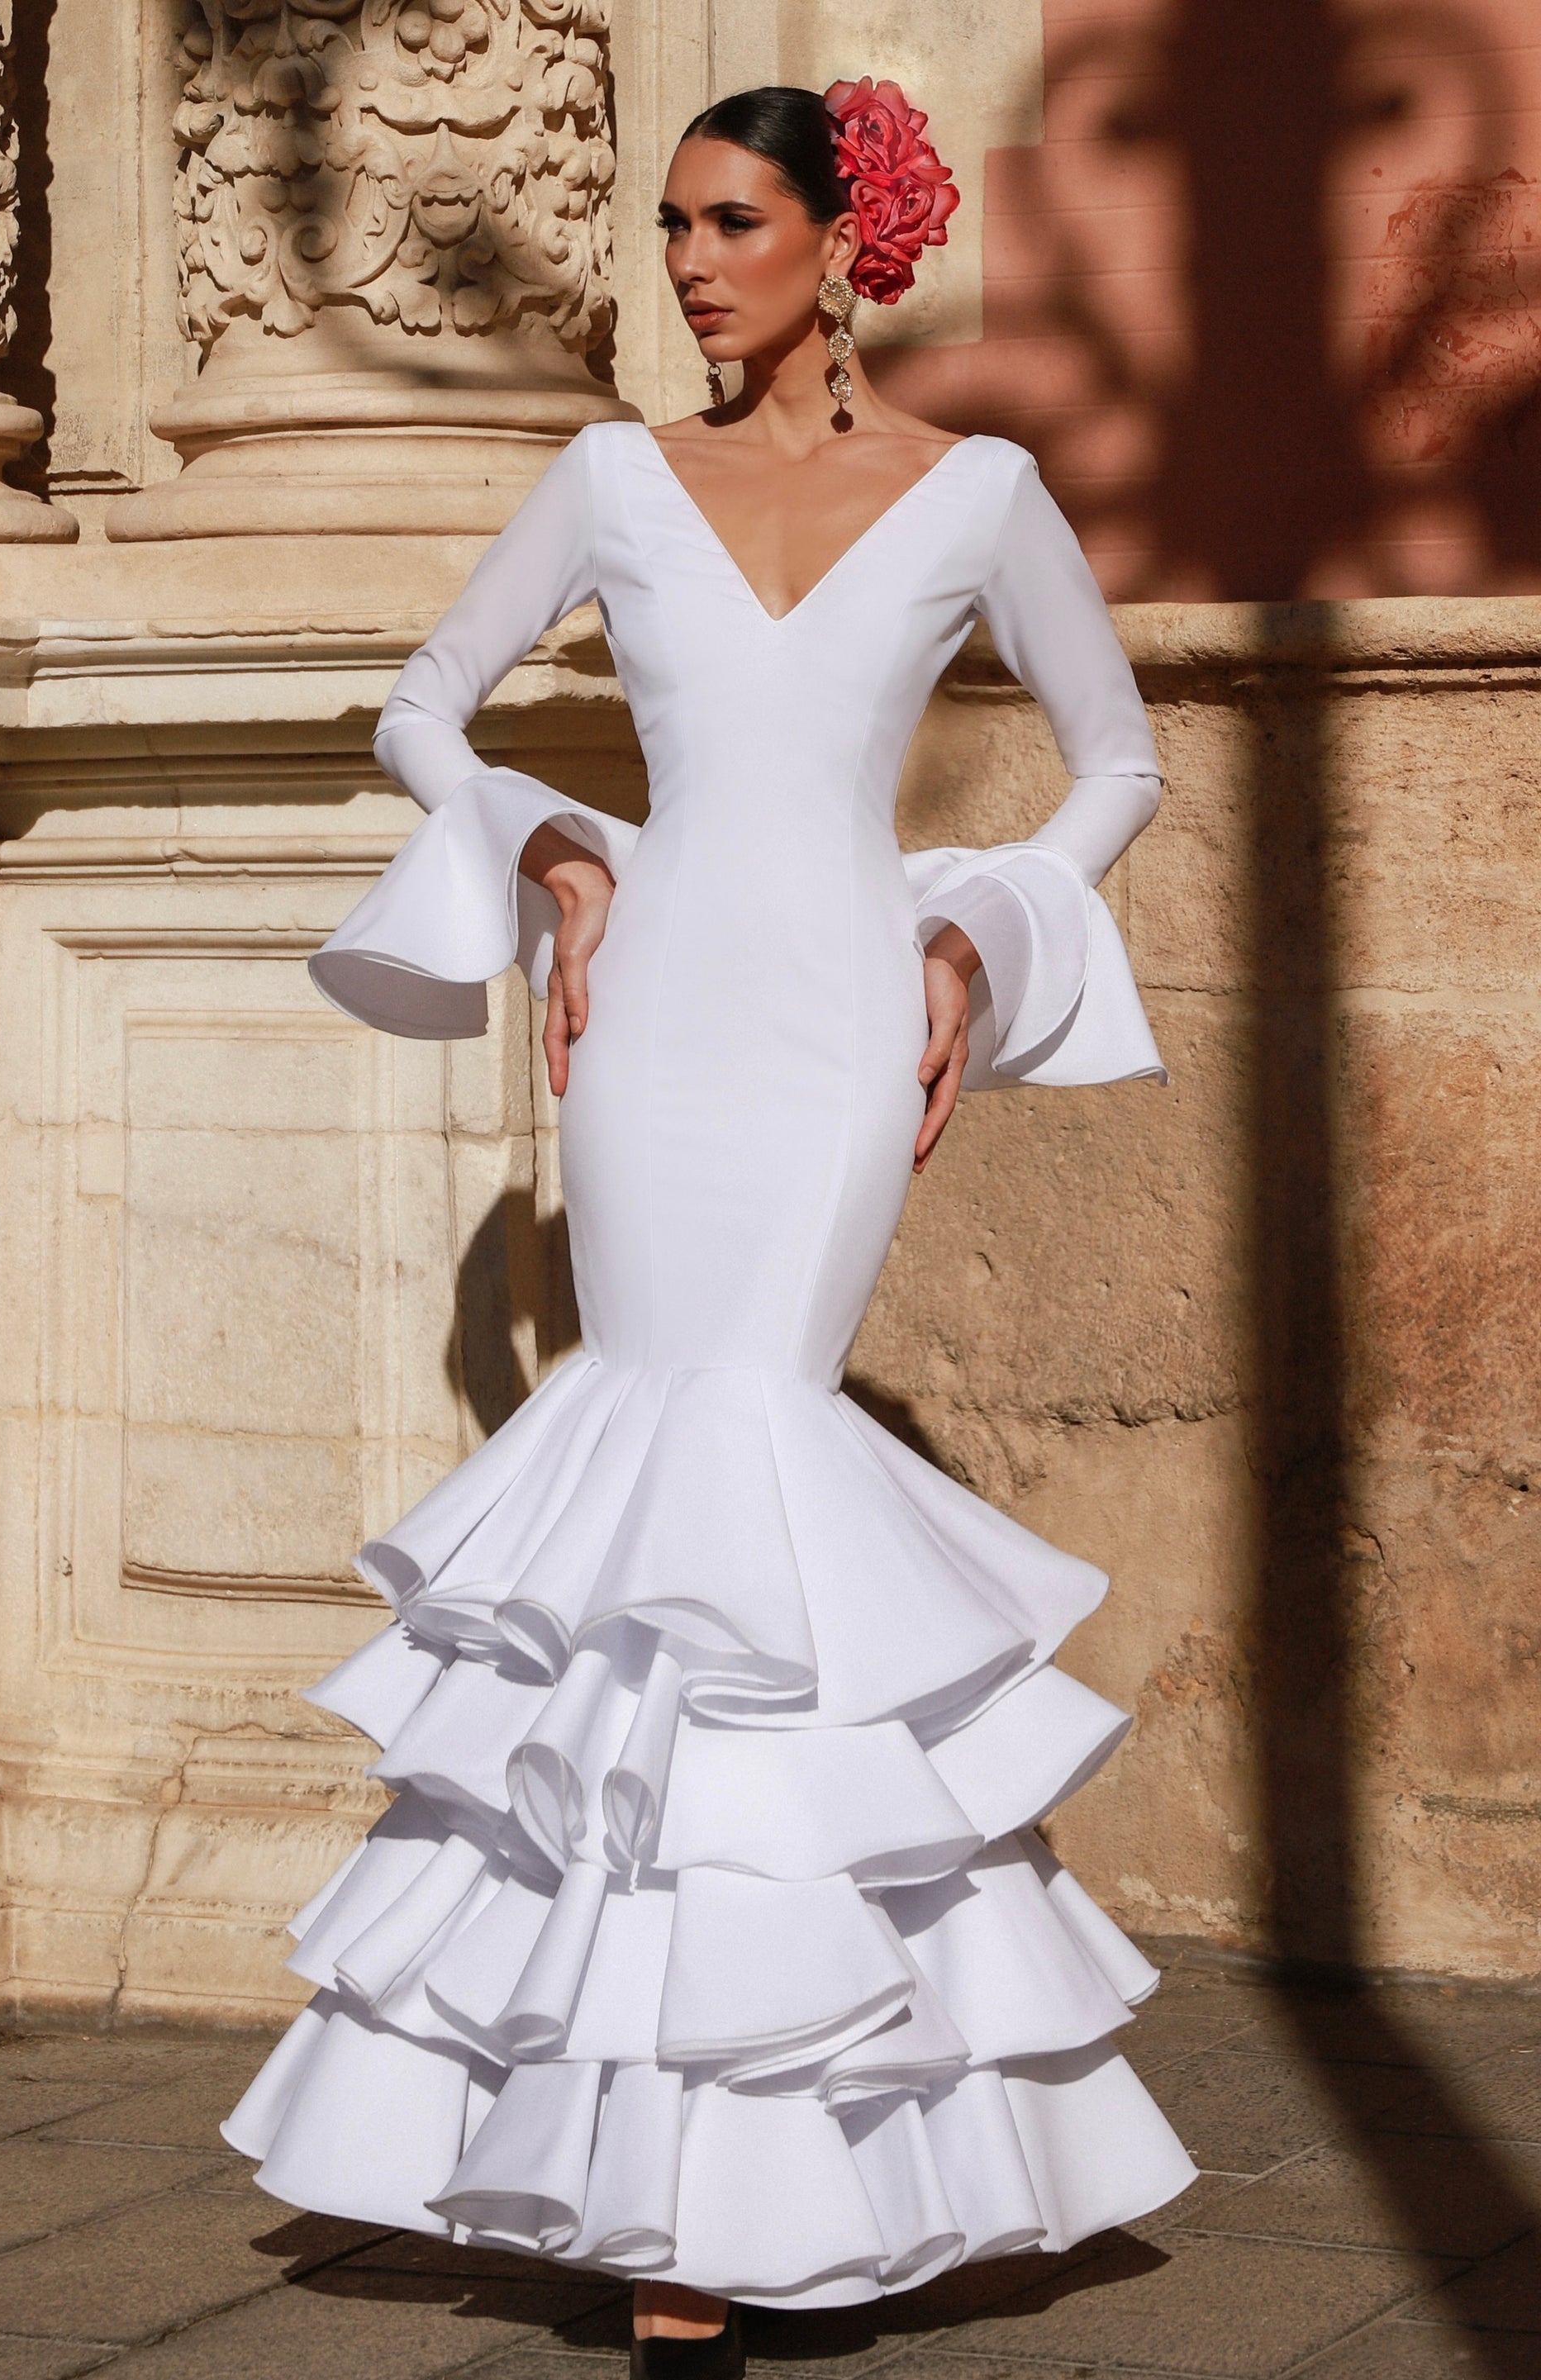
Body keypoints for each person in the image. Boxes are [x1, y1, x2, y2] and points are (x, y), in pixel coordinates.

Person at [221, 80, 1196, 2379]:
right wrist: (556, 847)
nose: (686, 262)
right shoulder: (605, 476)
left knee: (753, 1472)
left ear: (844, 241)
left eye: (730, 221)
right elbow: (420, 703)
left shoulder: (979, 493)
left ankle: (791, 2146)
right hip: (650, 1024)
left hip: (846, 1017)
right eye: (669, 224)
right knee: (663, 1478)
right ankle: (679, 2168)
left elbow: (1122, 754)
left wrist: (982, 935)